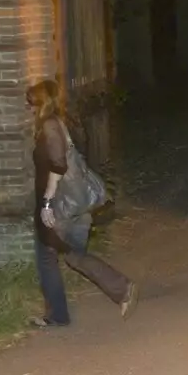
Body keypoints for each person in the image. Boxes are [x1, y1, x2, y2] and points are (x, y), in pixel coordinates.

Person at [27, 80, 137, 328]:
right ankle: (121, 289)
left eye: (31, 103)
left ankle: (59, 315)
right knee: (75, 256)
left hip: (61, 207)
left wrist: (46, 204)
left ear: (40, 103)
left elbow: (58, 165)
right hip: (78, 205)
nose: (29, 108)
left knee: (47, 257)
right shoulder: (67, 122)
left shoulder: (50, 126)